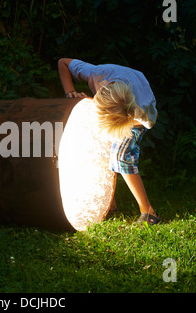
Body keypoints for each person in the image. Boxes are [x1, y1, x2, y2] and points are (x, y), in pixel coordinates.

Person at [58, 58, 160, 225]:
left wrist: (123, 124)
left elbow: (147, 123)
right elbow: (62, 63)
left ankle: (148, 212)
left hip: (134, 119)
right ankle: (109, 204)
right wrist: (70, 93)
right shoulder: (94, 73)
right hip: (114, 103)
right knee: (101, 148)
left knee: (121, 156)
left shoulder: (143, 111)